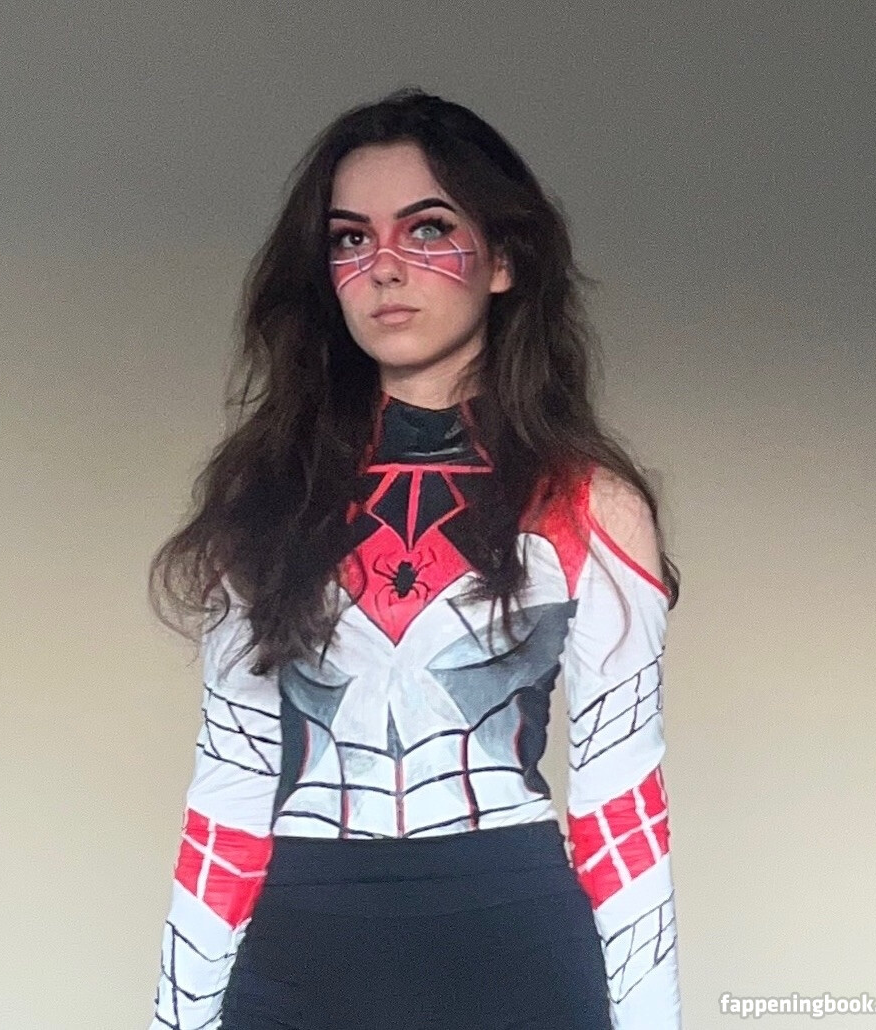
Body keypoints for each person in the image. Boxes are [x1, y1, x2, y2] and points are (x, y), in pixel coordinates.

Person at [146, 86, 683, 1030]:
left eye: (427, 228)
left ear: (505, 260)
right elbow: (228, 792)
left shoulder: (590, 507)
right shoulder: (266, 502)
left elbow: (624, 806)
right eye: (350, 238)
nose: (385, 266)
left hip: (518, 953)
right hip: (298, 954)